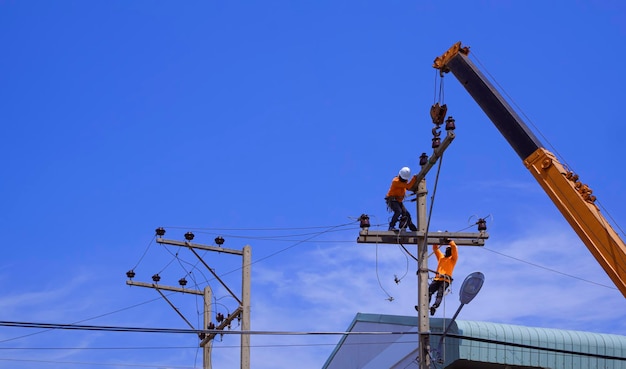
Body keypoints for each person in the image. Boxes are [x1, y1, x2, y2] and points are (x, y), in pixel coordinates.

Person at [428, 239, 458, 315]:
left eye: (448, 249)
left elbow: (454, 247)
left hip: (445, 280)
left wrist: (450, 241)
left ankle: (434, 306)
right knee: (428, 292)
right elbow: (435, 248)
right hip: (437, 279)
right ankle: (425, 305)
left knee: (439, 294)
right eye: (446, 249)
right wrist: (437, 238)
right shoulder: (441, 258)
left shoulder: (453, 259)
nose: (447, 251)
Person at [385, 167, 418, 231]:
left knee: (406, 214)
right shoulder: (396, 181)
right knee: (398, 211)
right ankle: (391, 226)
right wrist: (414, 178)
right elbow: (408, 186)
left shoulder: (404, 182)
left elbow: (408, 187)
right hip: (392, 199)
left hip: (398, 201)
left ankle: (412, 228)